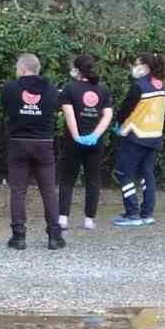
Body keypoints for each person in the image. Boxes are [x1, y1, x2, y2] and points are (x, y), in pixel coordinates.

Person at [1, 53, 64, 251]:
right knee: (49, 191)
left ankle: (18, 236)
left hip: (18, 142)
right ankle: (54, 236)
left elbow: (7, 110)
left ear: (21, 69)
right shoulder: (52, 90)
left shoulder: (9, 89)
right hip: (44, 143)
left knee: (18, 191)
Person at [58, 54, 113, 232]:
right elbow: (108, 115)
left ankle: (63, 219)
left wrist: (75, 135)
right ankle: (89, 220)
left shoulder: (69, 88)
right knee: (93, 180)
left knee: (68, 179)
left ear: (77, 69)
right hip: (95, 143)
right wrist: (95, 135)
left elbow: (69, 114)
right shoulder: (102, 89)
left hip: (73, 142)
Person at [113, 53, 165, 228]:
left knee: (124, 173)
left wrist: (117, 124)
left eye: (136, 65)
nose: (133, 68)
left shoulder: (138, 87)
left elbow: (125, 110)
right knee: (147, 174)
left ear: (145, 67)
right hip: (154, 135)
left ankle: (132, 214)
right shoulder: (162, 85)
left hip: (135, 135)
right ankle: (147, 213)